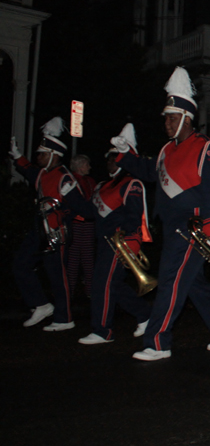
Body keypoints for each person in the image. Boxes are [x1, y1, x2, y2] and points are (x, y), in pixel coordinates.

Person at [112, 67, 210, 361]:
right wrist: (124, 155)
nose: (167, 124)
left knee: (171, 281)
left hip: (192, 228)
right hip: (173, 228)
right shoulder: (166, 151)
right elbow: (149, 171)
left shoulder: (206, 148)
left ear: (187, 117)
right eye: (166, 118)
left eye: (172, 118)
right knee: (191, 282)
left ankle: (158, 342)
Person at [64, 137, 151, 344]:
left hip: (121, 241)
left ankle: (103, 331)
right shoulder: (103, 186)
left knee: (102, 284)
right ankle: (146, 315)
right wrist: (70, 194)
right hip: (105, 242)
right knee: (114, 285)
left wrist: (123, 237)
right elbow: (89, 212)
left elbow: (134, 216)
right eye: (109, 159)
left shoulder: (132, 183)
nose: (109, 162)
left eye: (113, 158)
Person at [9, 117, 78, 331]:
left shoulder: (65, 177)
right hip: (40, 230)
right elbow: (29, 170)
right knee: (20, 265)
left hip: (56, 232)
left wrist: (60, 208)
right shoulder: (42, 174)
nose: (38, 157)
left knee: (57, 276)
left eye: (42, 154)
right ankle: (41, 305)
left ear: (53, 155)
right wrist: (18, 157)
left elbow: (81, 209)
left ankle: (65, 318)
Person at [66, 154, 96, 299]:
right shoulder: (71, 180)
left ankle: (90, 291)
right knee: (73, 259)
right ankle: (69, 292)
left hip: (89, 223)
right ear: (79, 166)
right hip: (75, 224)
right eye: (86, 164)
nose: (89, 167)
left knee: (88, 258)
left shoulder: (90, 181)